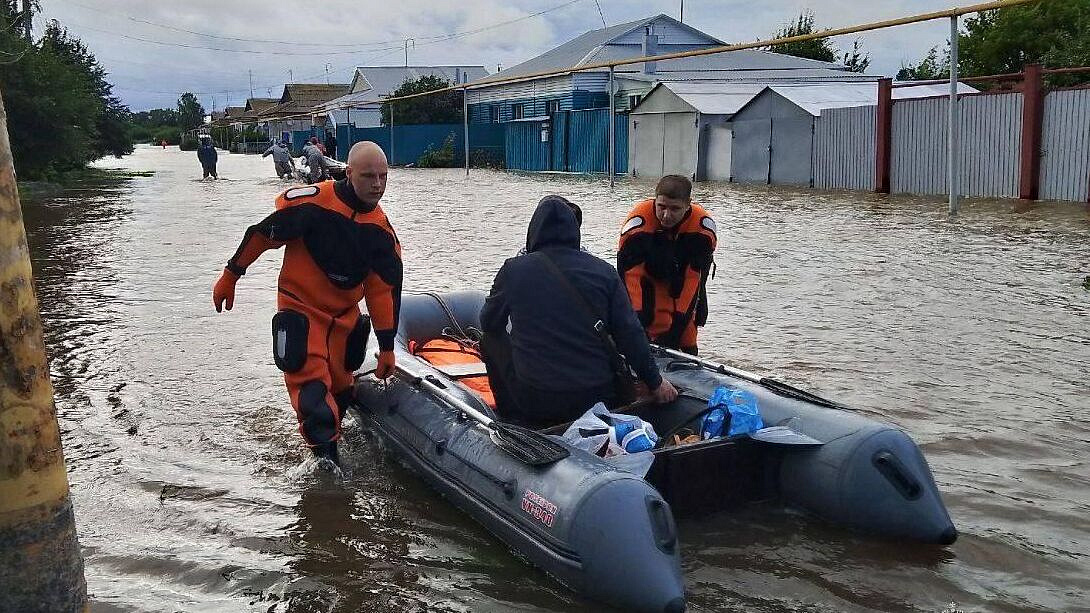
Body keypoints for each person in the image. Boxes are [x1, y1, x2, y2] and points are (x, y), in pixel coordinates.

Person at [212, 141, 402, 464]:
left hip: (342, 319)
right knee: (313, 396)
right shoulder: (314, 205)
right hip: (301, 308)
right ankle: (327, 476)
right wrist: (232, 273)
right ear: (349, 172)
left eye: (383, 177)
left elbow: (383, 292)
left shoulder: (382, 235)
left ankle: (330, 457)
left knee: (342, 392)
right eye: (369, 176)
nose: (377, 185)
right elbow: (262, 235)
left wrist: (386, 346)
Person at [480, 195, 678, 429]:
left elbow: (489, 323)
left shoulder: (513, 270)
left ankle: (511, 418)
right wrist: (655, 383)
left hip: (536, 399)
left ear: (533, 232)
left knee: (489, 340)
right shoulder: (604, 272)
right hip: (596, 397)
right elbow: (631, 334)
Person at [617, 175, 717, 355]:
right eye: (661, 207)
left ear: (688, 205)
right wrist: (636, 323)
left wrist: (676, 328)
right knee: (642, 324)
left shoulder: (702, 230)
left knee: (686, 337)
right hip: (646, 284)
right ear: (654, 201)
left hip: (682, 285)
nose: (666, 215)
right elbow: (630, 279)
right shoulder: (638, 226)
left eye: (675, 209)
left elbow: (692, 280)